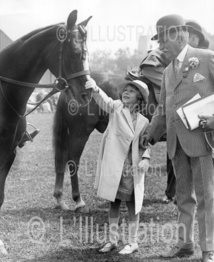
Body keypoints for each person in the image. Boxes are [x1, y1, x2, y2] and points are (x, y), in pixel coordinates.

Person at [141, 14, 214, 262]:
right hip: (176, 143)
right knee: (183, 197)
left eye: (163, 41)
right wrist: (150, 133)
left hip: (203, 141)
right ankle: (185, 245)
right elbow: (162, 109)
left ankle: (208, 249)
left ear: (178, 35)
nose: (160, 47)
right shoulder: (167, 72)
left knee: (206, 197)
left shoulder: (206, 58)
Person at [85, 78, 150, 255]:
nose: (126, 92)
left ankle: (133, 241)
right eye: (125, 90)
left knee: (132, 204)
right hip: (115, 165)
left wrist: (145, 158)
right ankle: (112, 240)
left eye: (131, 90)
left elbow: (146, 144)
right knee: (113, 202)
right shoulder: (116, 108)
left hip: (132, 167)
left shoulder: (144, 121)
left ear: (140, 98)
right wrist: (96, 89)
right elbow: (104, 100)